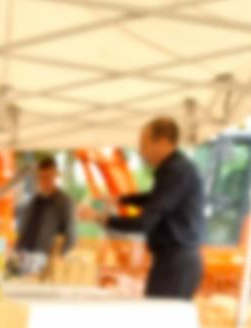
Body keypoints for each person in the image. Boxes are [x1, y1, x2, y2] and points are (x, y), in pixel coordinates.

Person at [81, 117, 205, 299]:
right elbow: (156, 198)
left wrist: (99, 218)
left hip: (176, 262)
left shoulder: (175, 171)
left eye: (144, 145)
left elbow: (144, 222)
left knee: (157, 314)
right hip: (174, 261)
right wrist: (121, 199)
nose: (140, 151)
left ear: (162, 142)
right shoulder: (175, 170)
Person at [15, 156, 76, 257]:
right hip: (24, 255)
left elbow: (71, 237)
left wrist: (55, 257)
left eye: (48, 177)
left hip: (47, 258)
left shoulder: (65, 203)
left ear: (55, 175)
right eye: (42, 177)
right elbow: (25, 229)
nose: (45, 181)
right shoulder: (34, 201)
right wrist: (17, 250)